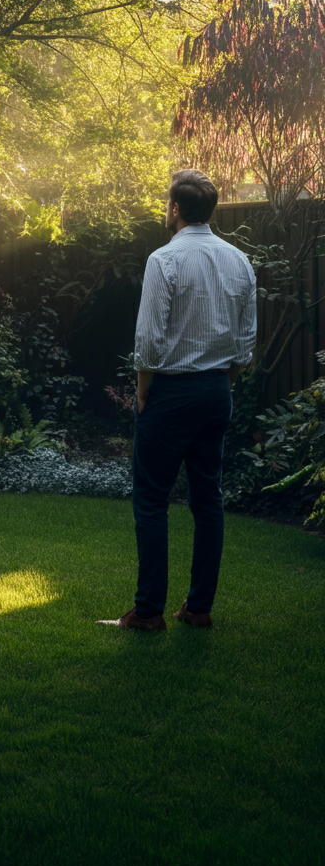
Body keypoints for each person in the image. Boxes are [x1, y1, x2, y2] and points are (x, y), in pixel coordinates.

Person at [110, 169, 257, 632]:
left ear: (175, 208)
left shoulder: (164, 259)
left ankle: (149, 611)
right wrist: (226, 381)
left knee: (152, 499)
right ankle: (198, 608)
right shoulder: (240, 260)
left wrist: (142, 392)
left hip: (171, 391)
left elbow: (149, 339)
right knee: (207, 498)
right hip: (216, 390)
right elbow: (246, 340)